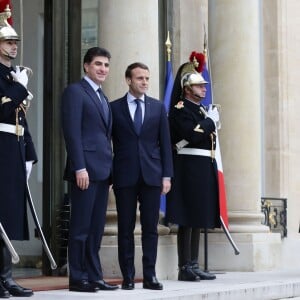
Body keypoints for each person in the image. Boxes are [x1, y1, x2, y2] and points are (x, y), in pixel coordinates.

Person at [111, 62, 173, 290]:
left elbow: (165, 145)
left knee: (150, 228)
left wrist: (167, 176)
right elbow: (107, 143)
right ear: (128, 80)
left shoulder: (157, 108)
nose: (145, 82)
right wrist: (109, 175)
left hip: (152, 175)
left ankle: (150, 276)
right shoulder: (114, 108)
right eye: (140, 78)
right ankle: (128, 276)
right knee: (125, 228)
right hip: (124, 175)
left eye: (147, 78)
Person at [61, 47, 118, 293]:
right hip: (84, 171)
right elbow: (72, 133)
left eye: (106, 65)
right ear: (86, 66)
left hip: (103, 172)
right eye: (98, 64)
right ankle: (78, 278)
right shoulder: (75, 91)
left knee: (96, 229)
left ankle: (94, 276)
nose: (103, 69)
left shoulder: (103, 97)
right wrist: (79, 167)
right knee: (81, 227)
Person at [165, 52, 220, 281]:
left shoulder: (199, 110)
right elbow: (192, 134)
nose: (204, 89)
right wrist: (210, 122)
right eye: (199, 86)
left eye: (204, 85)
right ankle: (183, 266)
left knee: (198, 215)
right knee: (186, 217)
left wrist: (208, 120)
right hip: (187, 166)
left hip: (201, 166)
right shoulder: (180, 109)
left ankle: (194, 263)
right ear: (187, 88)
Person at [0, 6, 37, 298]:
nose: (13, 46)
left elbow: (19, 118)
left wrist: (29, 153)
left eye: (15, 42)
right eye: (8, 41)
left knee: (9, 215)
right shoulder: (12, 81)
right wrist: (19, 90)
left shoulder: (14, 76)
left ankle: (5, 277)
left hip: (13, 148)